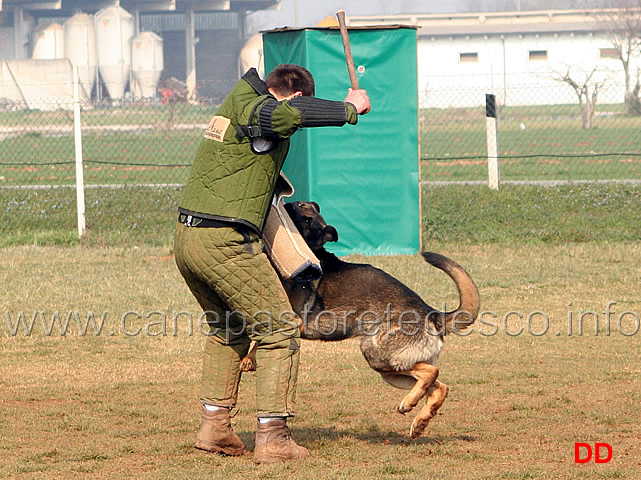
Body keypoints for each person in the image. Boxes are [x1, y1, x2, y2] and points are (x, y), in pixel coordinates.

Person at [173, 64, 371, 464]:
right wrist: (347, 109)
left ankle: (214, 428)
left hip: (189, 238)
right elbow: (286, 115)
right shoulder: (261, 108)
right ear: (296, 96)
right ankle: (274, 439)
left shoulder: (238, 104)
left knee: (229, 329)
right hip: (223, 240)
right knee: (280, 329)